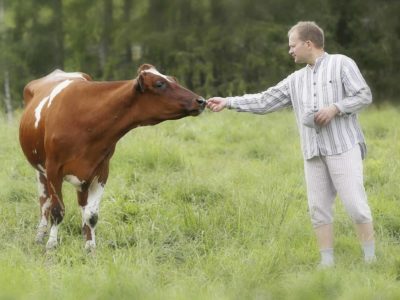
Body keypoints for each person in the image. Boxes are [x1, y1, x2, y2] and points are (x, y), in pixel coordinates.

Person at [207, 21, 375, 267]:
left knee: (355, 205)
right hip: (312, 151)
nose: (290, 51)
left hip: (343, 146)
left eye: (292, 45)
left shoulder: (342, 63)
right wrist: (229, 102)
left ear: (308, 43)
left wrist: (335, 108)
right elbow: (265, 100)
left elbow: (364, 95)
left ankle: (370, 259)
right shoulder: (295, 80)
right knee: (318, 208)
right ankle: (326, 263)